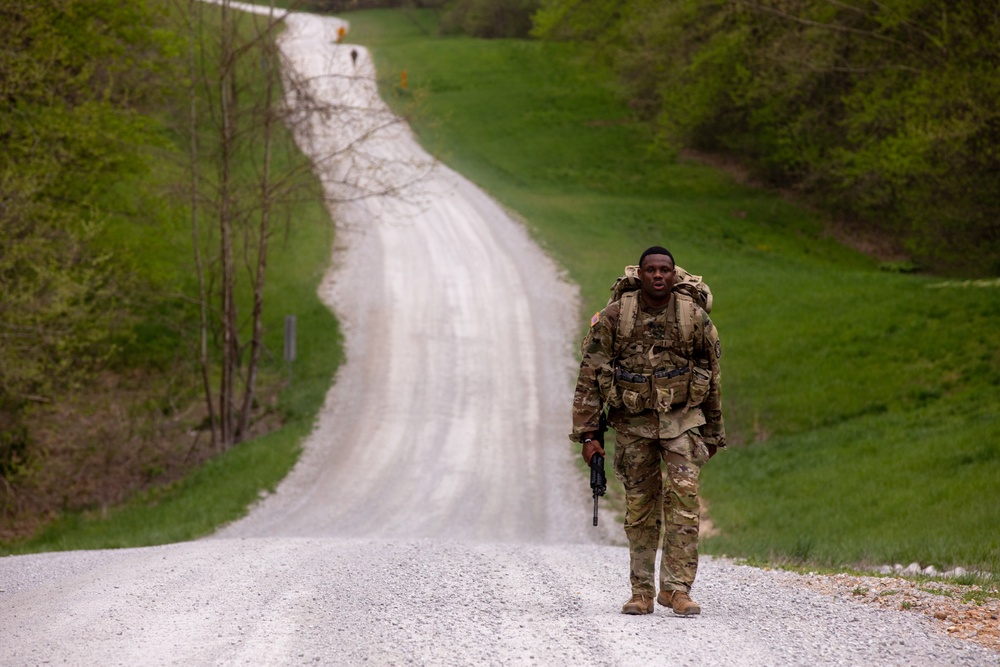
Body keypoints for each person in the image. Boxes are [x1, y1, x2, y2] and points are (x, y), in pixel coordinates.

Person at [571, 246, 726, 616]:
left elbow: (713, 375)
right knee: (640, 509)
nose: (658, 276)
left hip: (683, 423)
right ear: (639, 274)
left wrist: (714, 432)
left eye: (665, 270)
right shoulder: (614, 317)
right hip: (633, 425)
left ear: (674, 275)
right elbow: (589, 375)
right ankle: (641, 591)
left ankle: (678, 589)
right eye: (651, 270)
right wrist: (589, 435)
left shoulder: (694, 318)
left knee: (684, 506)